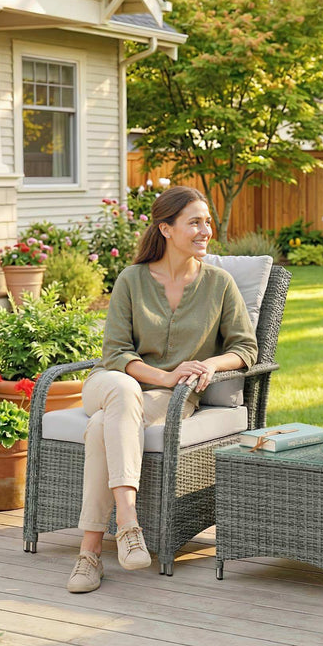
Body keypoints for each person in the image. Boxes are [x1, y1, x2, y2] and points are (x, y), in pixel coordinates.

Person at [67, 186, 258, 593]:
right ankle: (129, 520)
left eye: (207, 221)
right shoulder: (131, 279)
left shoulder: (219, 284)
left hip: (166, 402)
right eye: (195, 222)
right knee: (120, 389)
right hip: (110, 383)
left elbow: (246, 348)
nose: (206, 229)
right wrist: (165, 375)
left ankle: (89, 554)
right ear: (166, 229)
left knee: (103, 426)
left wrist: (209, 363)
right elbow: (115, 352)